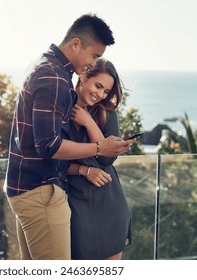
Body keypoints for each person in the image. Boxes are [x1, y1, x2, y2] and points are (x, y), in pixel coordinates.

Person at [4, 13, 135, 260]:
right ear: (76, 44)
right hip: (41, 190)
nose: (94, 62)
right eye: (94, 55)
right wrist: (97, 150)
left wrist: (94, 138)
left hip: (37, 188)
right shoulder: (54, 77)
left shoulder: (47, 68)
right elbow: (49, 146)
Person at [67, 58, 131, 260]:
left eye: (106, 91)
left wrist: (88, 123)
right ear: (83, 76)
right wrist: (84, 170)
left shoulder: (106, 113)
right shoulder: (60, 109)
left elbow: (106, 161)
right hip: (76, 203)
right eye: (98, 86)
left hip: (110, 202)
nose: (100, 95)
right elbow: (52, 159)